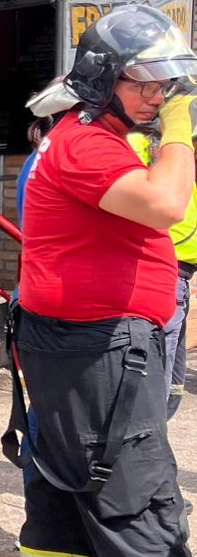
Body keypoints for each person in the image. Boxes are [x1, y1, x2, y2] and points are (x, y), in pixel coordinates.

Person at [11, 3, 197, 557]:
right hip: (101, 349)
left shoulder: (91, 134)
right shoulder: (87, 144)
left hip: (80, 344)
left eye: (168, 83)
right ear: (102, 79)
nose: (159, 94)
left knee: (64, 480)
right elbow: (165, 205)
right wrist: (182, 129)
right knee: (136, 492)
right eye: (145, 82)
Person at [128, 128, 197, 417]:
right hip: (161, 272)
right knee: (155, 378)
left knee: (171, 382)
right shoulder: (145, 148)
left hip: (179, 276)